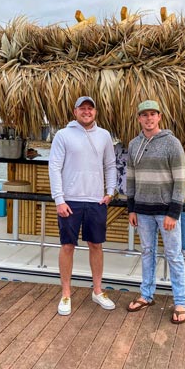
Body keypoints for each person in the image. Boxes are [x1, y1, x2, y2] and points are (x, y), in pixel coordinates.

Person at [49, 96, 117, 316]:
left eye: (90, 108)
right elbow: (54, 167)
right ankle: (66, 294)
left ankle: (97, 291)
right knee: (67, 246)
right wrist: (59, 199)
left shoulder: (104, 135)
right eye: (82, 108)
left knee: (96, 245)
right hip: (70, 200)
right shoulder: (63, 135)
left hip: (96, 200)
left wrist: (110, 192)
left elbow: (110, 165)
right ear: (75, 110)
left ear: (95, 112)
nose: (86, 112)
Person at [126, 100, 185, 324]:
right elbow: (130, 178)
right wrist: (131, 208)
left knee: (173, 255)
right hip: (142, 211)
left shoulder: (172, 144)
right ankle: (146, 295)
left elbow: (181, 180)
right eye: (145, 115)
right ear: (139, 119)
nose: (149, 118)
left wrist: (173, 212)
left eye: (153, 114)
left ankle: (180, 301)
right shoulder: (134, 144)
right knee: (147, 252)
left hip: (166, 212)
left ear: (159, 117)